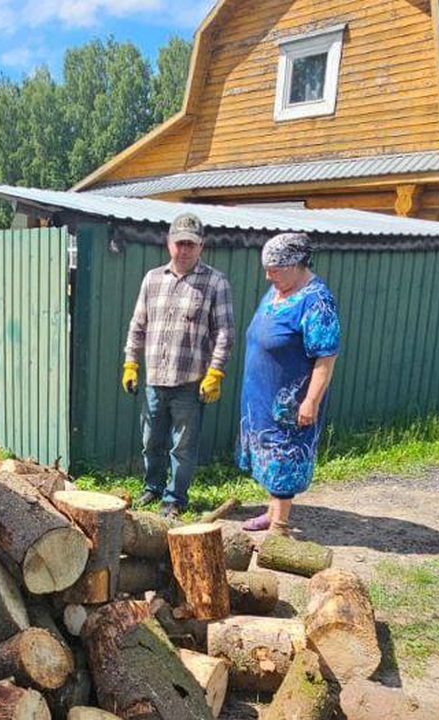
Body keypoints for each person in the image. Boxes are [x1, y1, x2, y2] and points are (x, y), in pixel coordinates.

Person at [122, 212, 235, 519]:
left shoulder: (215, 282)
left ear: (201, 246)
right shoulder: (152, 279)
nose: (183, 250)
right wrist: (131, 363)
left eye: (191, 244)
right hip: (155, 380)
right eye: (179, 243)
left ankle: (175, 498)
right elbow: (138, 325)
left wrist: (215, 372)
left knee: (182, 447)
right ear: (168, 242)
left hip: (190, 381)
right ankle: (154, 487)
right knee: (150, 442)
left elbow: (224, 332)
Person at [238, 232, 340, 536]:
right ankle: (272, 514)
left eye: (275, 270)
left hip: (290, 401)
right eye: (266, 269)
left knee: (283, 457)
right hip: (261, 395)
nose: (269, 276)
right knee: (267, 456)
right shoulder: (277, 291)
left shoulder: (317, 301)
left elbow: (326, 358)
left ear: (297, 264)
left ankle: (279, 529)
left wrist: (311, 401)